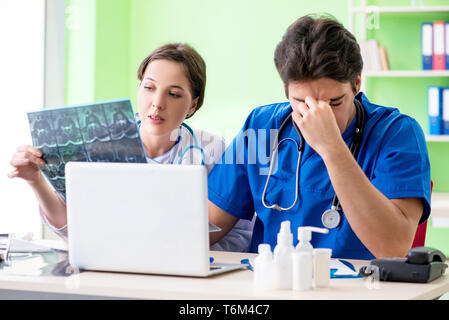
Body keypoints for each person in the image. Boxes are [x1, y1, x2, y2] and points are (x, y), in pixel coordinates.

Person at [207, 15, 431, 260]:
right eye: (301, 102)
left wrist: (332, 148)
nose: (318, 115)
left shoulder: (397, 134)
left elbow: (394, 248)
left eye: (334, 102)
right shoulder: (261, 126)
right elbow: (209, 226)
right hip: (274, 285)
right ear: (285, 90)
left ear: (356, 84)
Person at [8, 43, 253, 252]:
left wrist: (181, 257)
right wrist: (36, 181)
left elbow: (240, 233)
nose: (157, 104)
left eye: (174, 94)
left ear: (193, 105)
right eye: (149, 88)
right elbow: (73, 227)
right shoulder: (99, 142)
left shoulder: (214, 150)